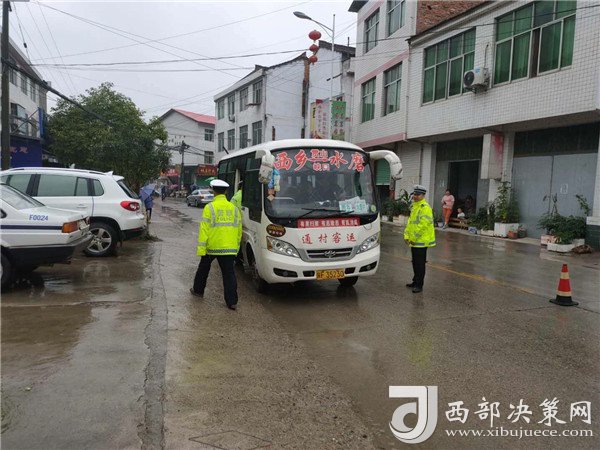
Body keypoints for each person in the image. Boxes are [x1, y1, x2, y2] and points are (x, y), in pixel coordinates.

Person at [190, 179, 242, 310]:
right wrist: (236, 248)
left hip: (212, 247)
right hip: (229, 248)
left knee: (203, 269)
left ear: (213, 191)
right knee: (229, 274)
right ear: (225, 191)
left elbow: (204, 230)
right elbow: (239, 230)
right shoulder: (234, 208)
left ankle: (198, 291)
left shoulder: (209, 207)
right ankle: (232, 302)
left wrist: (201, 249)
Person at [404, 185, 436, 293]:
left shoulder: (425, 208)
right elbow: (410, 223)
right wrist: (406, 236)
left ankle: (419, 285)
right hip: (414, 241)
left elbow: (423, 225)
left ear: (423, 195)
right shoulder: (415, 207)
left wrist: (413, 238)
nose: (415, 197)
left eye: (418, 195)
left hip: (421, 241)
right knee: (414, 262)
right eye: (415, 194)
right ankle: (415, 281)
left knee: (419, 264)